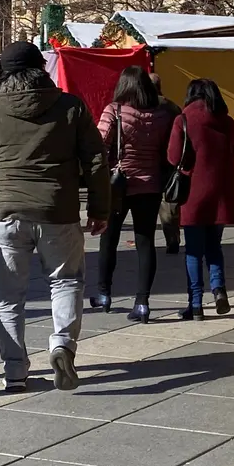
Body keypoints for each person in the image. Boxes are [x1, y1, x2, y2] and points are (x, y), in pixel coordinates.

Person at [0, 41, 110, 392]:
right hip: (58, 209)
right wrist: (99, 208)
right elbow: (95, 160)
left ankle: (14, 371)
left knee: (8, 297)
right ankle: (62, 344)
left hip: (7, 211)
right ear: (41, 68)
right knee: (65, 282)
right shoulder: (69, 106)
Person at [92, 67, 174, 323]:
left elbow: (99, 143)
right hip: (150, 185)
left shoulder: (114, 111)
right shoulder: (162, 114)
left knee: (109, 240)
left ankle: (104, 294)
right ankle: (142, 302)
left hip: (118, 184)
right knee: (145, 242)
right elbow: (168, 150)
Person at [169, 78, 234, 320]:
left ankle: (196, 304)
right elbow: (233, 154)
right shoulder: (227, 122)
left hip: (193, 193)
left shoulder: (183, 120)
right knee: (214, 247)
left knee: (193, 251)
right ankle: (219, 290)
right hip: (221, 191)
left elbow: (173, 156)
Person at [150, 72, 183, 255]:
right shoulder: (172, 107)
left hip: (147, 161)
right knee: (169, 204)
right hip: (168, 161)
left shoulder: (140, 106)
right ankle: (172, 239)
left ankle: (147, 241)